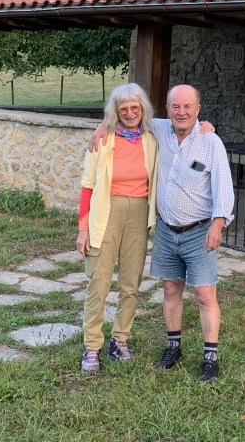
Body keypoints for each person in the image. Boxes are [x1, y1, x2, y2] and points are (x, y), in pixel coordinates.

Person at [149, 84, 234, 383]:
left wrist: (218, 224)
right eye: (175, 106)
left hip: (199, 231)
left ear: (198, 109)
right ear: (167, 109)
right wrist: (100, 129)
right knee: (170, 288)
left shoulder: (210, 142)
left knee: (204, 293)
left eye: (188, 106)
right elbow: (126, 116)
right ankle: (174, 347)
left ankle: (210, 358)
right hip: (166, 228)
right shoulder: (160, 130)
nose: (181, 112)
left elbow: (223, 186)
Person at [76, 83, 158, 374]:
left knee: (131, 283)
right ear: (116, 112)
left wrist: (205, 126)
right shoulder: (102, 139)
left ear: (142, 109)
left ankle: (120, 339)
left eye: (135, 108)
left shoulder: (152, 139)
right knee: (98, 281)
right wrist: (83, 228)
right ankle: (92, 345)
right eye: (124, 109)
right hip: (105, 212)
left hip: (139, 212)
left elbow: (181, 122)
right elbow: (87, 186)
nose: (130, 113)